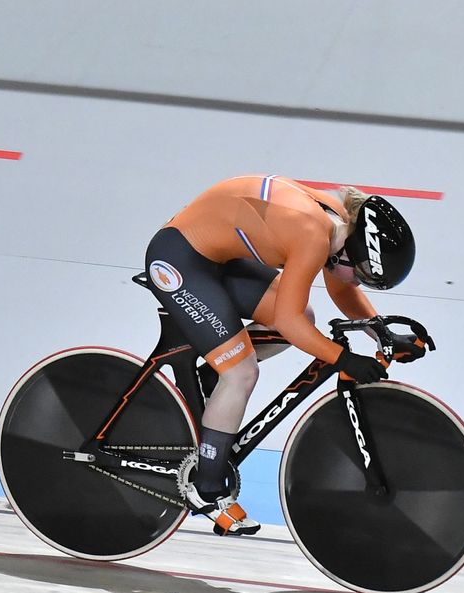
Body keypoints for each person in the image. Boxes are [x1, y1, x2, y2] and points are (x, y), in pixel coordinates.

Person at [144, 175, 423, 535]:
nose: (359, 283)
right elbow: (289, 324)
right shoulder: (311, 234)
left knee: (304, 316)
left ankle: (212, 379)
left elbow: (339, 290)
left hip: (214, 257)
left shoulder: (337, 223)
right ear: (352, 251)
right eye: (364, 275)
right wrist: (343, 358)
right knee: (242, 372)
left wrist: (381, 332)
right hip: (179, 260)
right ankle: (207, 488)